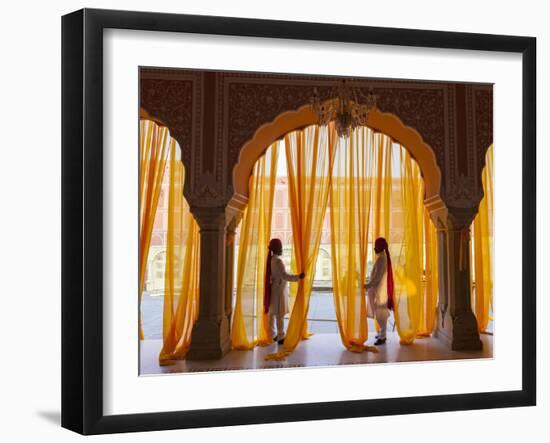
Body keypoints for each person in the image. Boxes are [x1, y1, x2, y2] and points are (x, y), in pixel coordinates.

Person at [264, 238, 305, 344]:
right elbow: (285, 276)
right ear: (277, 248)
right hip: (279, 291)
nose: (282, 248)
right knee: (279, 314)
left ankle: (273, 335)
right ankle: (281, 336)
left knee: (272, 314)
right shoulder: (278, 261)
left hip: (274, 289)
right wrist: (298, 277)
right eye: (280, 247)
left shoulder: (272, 259)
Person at [365, 237, 394, 345]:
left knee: (381, 314)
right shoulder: (381, 257)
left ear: (380, 247)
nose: (374, 248)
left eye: (376, 246)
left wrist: (368, 284)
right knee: (380, 313)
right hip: (379, 290)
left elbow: (378, 276)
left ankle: (382, 337)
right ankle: (382, 334)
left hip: (381, 291)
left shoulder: (382, 259)